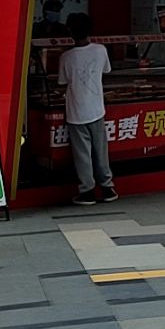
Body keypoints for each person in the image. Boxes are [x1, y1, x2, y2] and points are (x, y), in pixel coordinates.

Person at [58, 12, 117, 206]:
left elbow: (62, 81)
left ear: (70, 31)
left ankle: (87, 191)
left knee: (82, 153)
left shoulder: (66, 57)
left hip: (76, 111)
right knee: (101, 151)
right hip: (97, 109)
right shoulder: (100, 50)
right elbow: (106, 70)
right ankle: (107, 187)